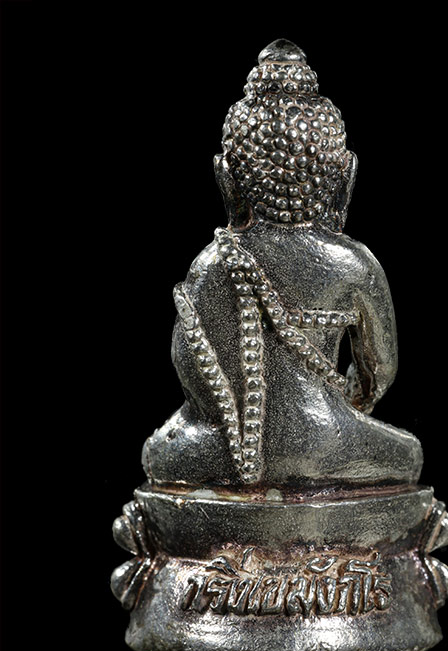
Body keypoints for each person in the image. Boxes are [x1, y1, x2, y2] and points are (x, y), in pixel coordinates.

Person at [143, 39, 422, 491]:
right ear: (346, 177)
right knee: (409, 453)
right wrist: (344, 409)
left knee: (157, 452)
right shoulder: (354, 264)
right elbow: (378, 374)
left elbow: (189, 368)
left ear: (226, 178)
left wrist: (221, 422)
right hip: (329, 439)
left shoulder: (212, 263)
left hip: (229, 448)